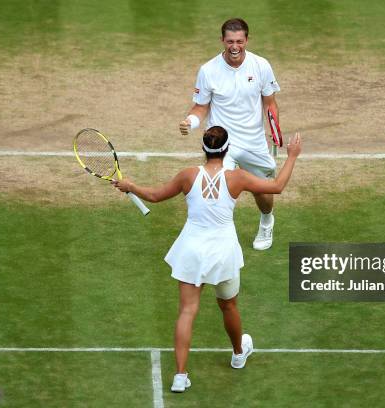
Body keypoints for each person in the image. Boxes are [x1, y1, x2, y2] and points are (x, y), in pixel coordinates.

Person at [112, 126, 301, 393]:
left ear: (204, 148)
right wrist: (292, 155)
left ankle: (180, 376)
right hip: (223, 252)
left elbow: (154, 196)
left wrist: (130, 186)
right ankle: (238, 353)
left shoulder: (188, 175)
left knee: (187, 311)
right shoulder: (238, 177)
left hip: (191, 250)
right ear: (226, 149)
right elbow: (277, 186)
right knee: (229, 305)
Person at [179, 17, 281, 251]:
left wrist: (275, 127)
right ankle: (217, 235)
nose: (234, 46)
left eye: (239, 41)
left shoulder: (261, 65)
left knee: (261, 189)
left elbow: (270, 103)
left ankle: (266, 221)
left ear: (247, 40)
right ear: (222, 41)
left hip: (253, 141)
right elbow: (201, 107)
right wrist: (190, 122)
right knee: (217, 188)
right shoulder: (208, 70)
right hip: (222, 142)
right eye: (229, 41)